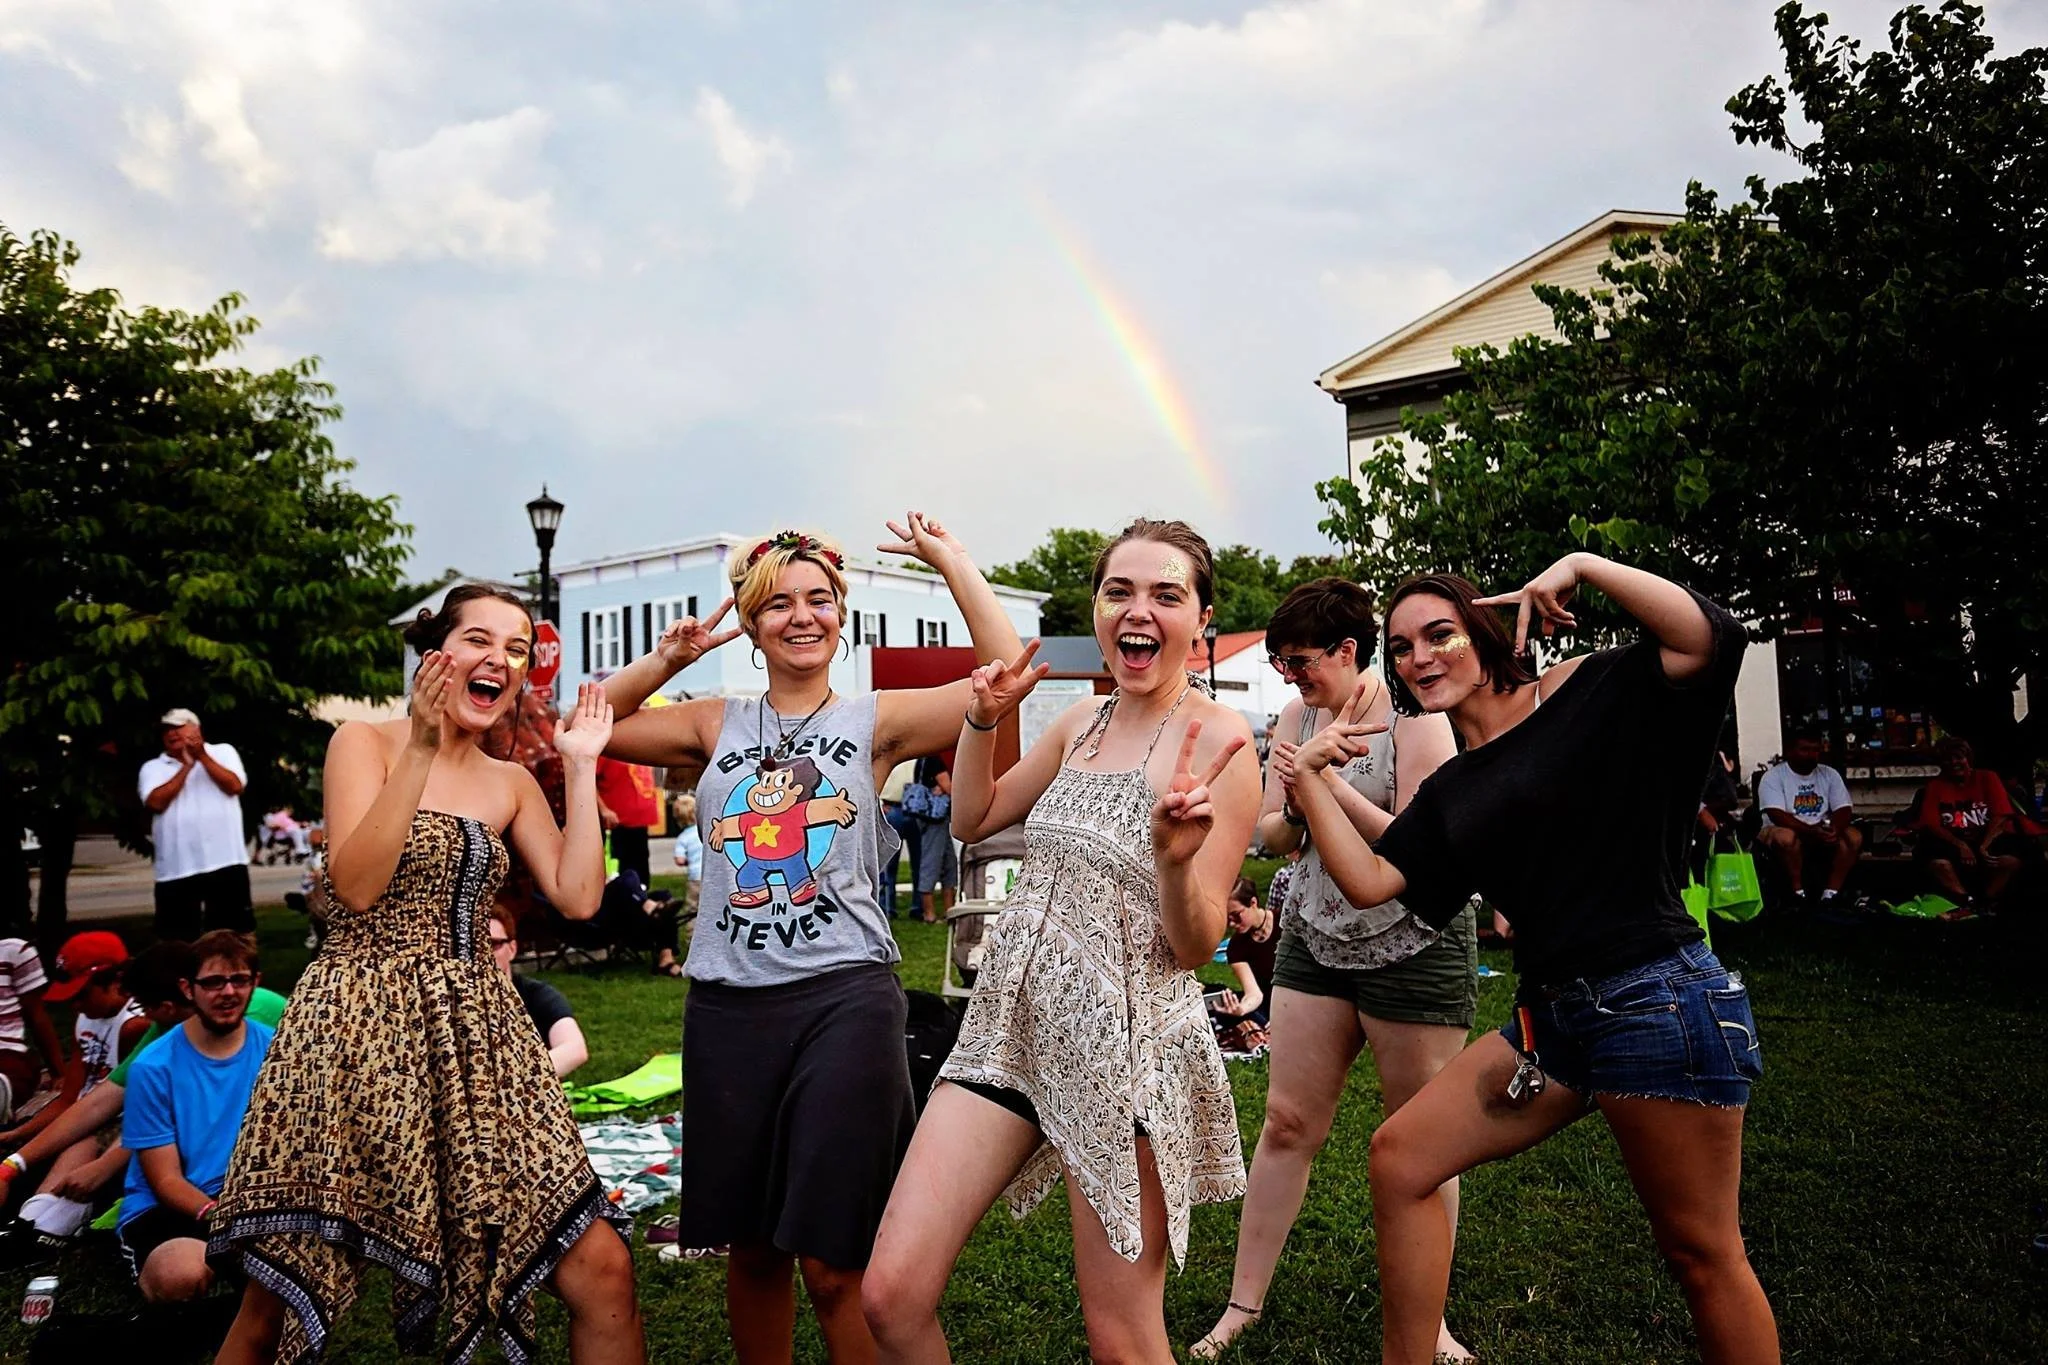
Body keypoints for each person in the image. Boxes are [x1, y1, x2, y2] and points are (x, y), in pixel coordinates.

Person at [1284, 555, 1775, 1365]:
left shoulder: (1586, 689)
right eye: (1401, 647)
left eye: (1439, 634)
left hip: (1655, 994)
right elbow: (1375, 880)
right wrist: (1308, 778)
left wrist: (1586, 565)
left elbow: (1710, 637)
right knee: (1400, 1157)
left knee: (1700, 1252)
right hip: (1553, 1020)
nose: (1419, 658)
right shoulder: (1454, 784)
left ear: (1484, 631)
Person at [601, 516, 1025, 1364]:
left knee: (836, 1262)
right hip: (726, 1011)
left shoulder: (878, 720)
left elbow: (1003, 670)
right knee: (753, 1248)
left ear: (842, 614)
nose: (803, 616)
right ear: (753, 625)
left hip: (844, 1000)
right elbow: (583, 730)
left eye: (820, 599)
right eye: (779, 604)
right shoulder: (710, 722)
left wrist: (950, 561)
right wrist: (667, 661)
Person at [208, 585, 643, 1365]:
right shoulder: (363, 743)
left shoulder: (509, 782)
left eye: (515, 649)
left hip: (483, 1043)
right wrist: (416, 746)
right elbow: (359, 884)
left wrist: (580, 767)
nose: (500, 661)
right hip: (355, 1032)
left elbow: (580, 897)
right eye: (479, 639)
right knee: (272, 1294)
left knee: (602, 1267)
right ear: (433, 653)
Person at [862, 518, 1261, 1365]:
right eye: (1119, 590)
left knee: (1122, 1341)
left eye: (1165, 593)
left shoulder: (1224, 743)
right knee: (890, 1295)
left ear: (1202, 617)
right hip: (1006, 1030)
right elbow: (974, 817)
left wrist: (1175, 860)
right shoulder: (1080, 717)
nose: (1137, 609)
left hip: (1128, 1053)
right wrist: (978, 720)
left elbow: (1196, 946)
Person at [1192, 577, 1468, 1362]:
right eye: (1280, 662)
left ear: (1348, 650)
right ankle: (1242, 1305)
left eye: (1301, 660)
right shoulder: (1295, 717)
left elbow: (1417, 844)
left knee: (1422, 1137)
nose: (1290, 676)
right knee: (1286, 1123)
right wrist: (1288, 796)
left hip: (1413, 939)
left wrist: (1327, 782)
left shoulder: (1417, 722)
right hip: (1317, 930)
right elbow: (1281, 837)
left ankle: (1431, 1321)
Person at [0, 939, 290, 1247]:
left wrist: (103, 1167)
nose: (144, 1017)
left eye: (145, 1008)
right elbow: (101, 1100)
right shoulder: (172, 1031)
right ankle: (37, 1220)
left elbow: (169, 1115)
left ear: (169, 1005)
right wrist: (11, 1165)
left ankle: (48, 1223)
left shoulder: (242, 1022)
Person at [117, 931, 272, 1307]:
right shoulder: (153, 1067)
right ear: (188, 989)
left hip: (250, 1199)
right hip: (174, 1206)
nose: (228, 992)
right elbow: (165, 1179)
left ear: (256, 983)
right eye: (213, 982)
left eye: (239, 980)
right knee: (180, 1278)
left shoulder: (276, 1047)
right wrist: (221, 1217)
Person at [0, 932, 147, 1249]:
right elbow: (69, 1099)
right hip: (88, 1115)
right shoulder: (86, 1019)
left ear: (116, 980)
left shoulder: (135, 1026)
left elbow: (113, 1105)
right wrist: (16, 1137)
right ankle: (30, 1217)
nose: (75, 1005)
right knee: (30, 1142)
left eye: (81, 994)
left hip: (120, 1125)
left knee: (82, 1137)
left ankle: (39, 1223)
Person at [138, 708, 254, 937]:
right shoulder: (153, 767)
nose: (171, 734)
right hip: (176, 868)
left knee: (232, 934)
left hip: (225, 861)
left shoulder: (223, 752)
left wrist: (201, 757)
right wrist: (187, 767)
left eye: (177, 727)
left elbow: (234, 786)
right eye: (166, 730)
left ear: (196, 729)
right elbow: (155, 802)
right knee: (177, 937)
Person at [1914, 735, 2033, 914]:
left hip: (1988, 836)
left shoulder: (1988, 778)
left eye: (1958, 758)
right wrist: (1961, 845)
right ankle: (1965, 900)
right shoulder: (1935, 786)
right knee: (1935, 859)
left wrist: (1985, 844)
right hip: (1953, 840)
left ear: (1968, 759)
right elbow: (1931, 824)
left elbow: (2001, 815)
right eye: (1948, 759)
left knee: (2012, 858)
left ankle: (1987, 900)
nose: (1954, 762)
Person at [1755, 728, 1863, 907]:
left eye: (1815, 750)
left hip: (1821, 827)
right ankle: (1798, 894)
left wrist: (1835, 828)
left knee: (1854, 837)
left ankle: (1831, 894)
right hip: (1782, 829)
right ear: (1789, 751)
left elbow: (1843, 808)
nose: (1811, 755)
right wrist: (1811, 831)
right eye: (1804, 750)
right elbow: (1776, 814)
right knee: (1786, 838)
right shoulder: (1773, 777)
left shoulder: (1829, 774)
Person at [488, 906, 589, 1077]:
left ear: (512, 949)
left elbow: (575, 1049)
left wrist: (513, 1079)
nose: (482, 954)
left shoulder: (536, 995)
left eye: (493, 944)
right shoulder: (448, 1003)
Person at [0, 937, 64, 1131]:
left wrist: (59, 1073)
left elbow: (36, 1015)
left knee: (9, 1078)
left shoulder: (14, 950)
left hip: (7, 1055)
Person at [1210, 876, 1276, 1025]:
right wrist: (1241, 1008)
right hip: (1268, 1006)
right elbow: (1254, 993)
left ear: (1253, 903)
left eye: (1236, 915)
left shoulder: (1285, 923)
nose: (1232, 923)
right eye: (1227, 918)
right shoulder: (1236, 946)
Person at [595, 755, 660, 888]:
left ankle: (644, 902)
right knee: (622, 871)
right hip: (617, 822)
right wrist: (603, 809)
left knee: (640, 869)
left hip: (640, 821)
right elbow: (587, 780)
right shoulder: (608, 749)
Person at [912, 756, 957, 924]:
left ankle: (949, 911)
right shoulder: (934, 760)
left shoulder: (921, 760)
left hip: (931, 818)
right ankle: (929, 914)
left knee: (949, 864)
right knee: (932, 864)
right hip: (935, 820)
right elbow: (949, 787)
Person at [878, 762, 919, 916]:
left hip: (917, 808)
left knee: (919, 862)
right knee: (889, 862)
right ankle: (888, 907)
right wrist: (880, 803)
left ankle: (917, 906)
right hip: (892, 807)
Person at [672, 792, 705, 926]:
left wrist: (687, 860)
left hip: (694, 878)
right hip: (709, 875)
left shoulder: (683, 838)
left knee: (692, 909)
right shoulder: (704, 831)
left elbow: (679, 860)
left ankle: (691, 936)